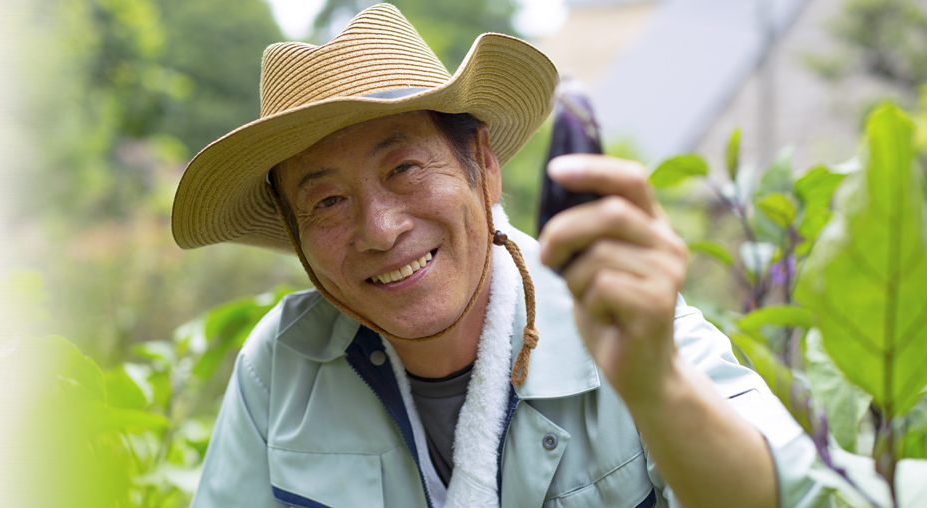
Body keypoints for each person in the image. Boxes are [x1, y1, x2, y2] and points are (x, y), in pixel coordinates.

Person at [172, 4, 827, 507]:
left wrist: (657, 385)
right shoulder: (280, 368)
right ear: (295, 234)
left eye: (403, 166)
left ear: (482, 163)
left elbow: (797, 495)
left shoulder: (634, 326)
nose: (378, 227)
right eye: (326, 203)